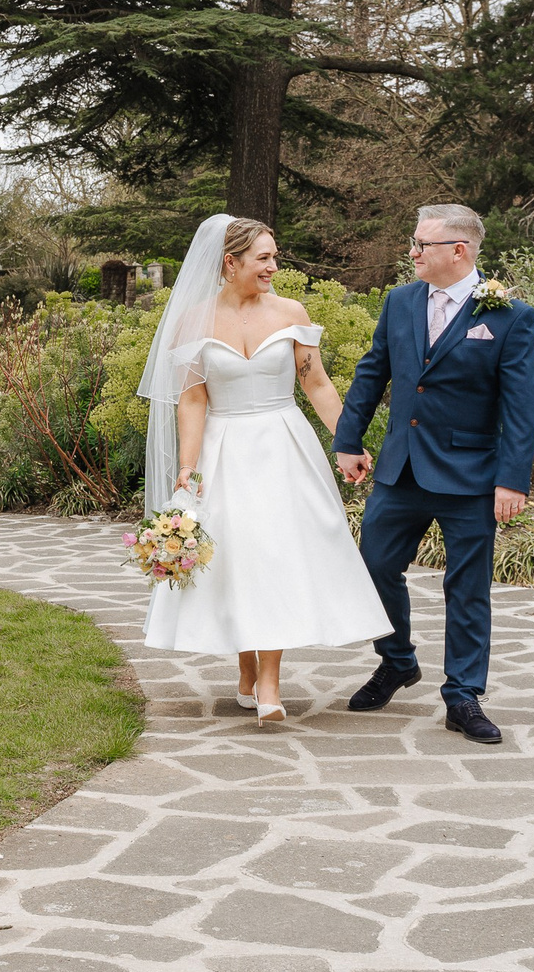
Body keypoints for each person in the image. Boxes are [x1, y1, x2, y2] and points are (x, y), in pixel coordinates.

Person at [139, 214, 392, 722]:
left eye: (274, 256)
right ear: (230, 263)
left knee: (276, 555)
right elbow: (193, 400)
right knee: (237, 559)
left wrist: (347, 442)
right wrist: (187, 468)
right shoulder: (193, 321)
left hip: (283, 447)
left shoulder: (289, 312)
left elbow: (315, 383)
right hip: (223, 450)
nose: (274, 266)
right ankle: (246, 666)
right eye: (263, 258)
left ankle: (270, 681)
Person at [331, 204, 534, 745]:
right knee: (373, 569)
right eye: (414, 241)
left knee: (467, 588)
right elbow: (373, 370)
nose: (413, 252)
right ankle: (397, 660)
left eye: (422, 244)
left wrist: (512, 479)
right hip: (400, 468)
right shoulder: (400, 301)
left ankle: (463, 695)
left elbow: (522, 406)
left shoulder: (510, 315)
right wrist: (348, 440)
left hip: (471, 475)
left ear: (460, 250)